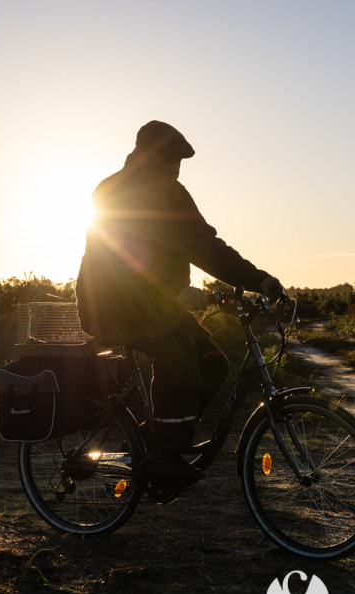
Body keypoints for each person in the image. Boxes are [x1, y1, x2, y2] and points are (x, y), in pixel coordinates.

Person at [76, 121, 283, 487]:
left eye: (179, 162)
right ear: (142, 156)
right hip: (111, 305)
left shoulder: (176, 196)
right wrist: (169, 292)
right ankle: (164, 458)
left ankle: (155, 440)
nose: (174, 167)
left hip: (157, 306)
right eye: (166, 159)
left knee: (215, 364)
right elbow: (119, 260)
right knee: (178, 350)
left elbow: (206, 247)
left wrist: (259, 280)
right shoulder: (113, 194)